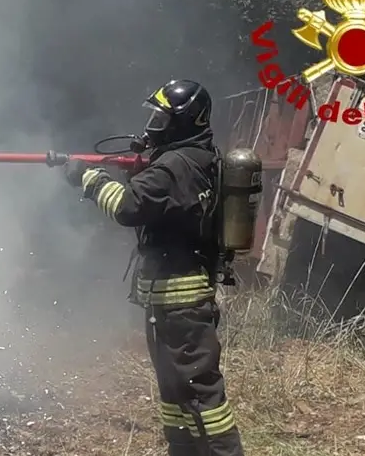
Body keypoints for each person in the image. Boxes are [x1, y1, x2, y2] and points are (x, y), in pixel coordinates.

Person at [64, 79, 244, 456]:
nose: (154, 125)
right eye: (155, 116)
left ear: (185, 121)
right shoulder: (194, 158)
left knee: (201, 393)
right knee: (175, 392)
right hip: (171, 305)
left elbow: (128, 207)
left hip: (182, 305)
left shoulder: (175, 166)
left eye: (163, 118)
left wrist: (88, 178)